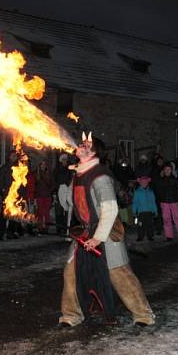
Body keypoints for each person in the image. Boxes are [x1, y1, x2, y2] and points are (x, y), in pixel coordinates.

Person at [58, 134, 154, 327]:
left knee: (120, 273)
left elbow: (110, 209)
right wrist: (65, 186)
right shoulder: (78, 174)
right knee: (70, 272)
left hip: (107, 231)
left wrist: (98, 237)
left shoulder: (100, 176)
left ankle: (144, 314)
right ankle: (71, 315)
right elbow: (70, 203)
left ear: (93, 153)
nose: (80, 145)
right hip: (85, 231)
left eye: (86, 144)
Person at [0, 149, 24, 241]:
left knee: (14, 215)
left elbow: (22, 182)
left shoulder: (19, 167)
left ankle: (10, 233)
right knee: (4, 215)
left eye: (15, 156)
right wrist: (3, 191)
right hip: (7, 195)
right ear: (9, 156)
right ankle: (0, 235)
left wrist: (21, 193)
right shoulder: (5, 168)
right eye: (12, 155)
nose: (14, 157)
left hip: (16, 195)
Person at [154, 163, 178, 241]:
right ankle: (169, 235)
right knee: (166, 219)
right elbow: (158, 191)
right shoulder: (160, 181)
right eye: (166, 169)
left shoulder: (175, 179)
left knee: (177, 218)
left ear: (171, 170)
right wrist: (161, 198)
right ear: (164, 171)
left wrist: (175, 197)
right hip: (164, 202)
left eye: (169, 169)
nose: (167, 171)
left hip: (174, 201)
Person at [29, 161, 56, 234]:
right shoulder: (36, 174)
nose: (43, 166)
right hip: (39, 196)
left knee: (46, 212)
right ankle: (40, 227)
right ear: (39, 165)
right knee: (40, 212)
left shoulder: (49, 174)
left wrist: (50, 191)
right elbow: (32, 185)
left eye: (45, 164)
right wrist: (34, 194)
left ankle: (46, 228)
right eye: (42, 164)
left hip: (47, 196)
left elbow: (53, 184)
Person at [54, 153, 74, 236]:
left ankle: (67, 228)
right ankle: (60, 229)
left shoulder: (70, 168)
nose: (64, 161)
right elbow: (54, 181)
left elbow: (72, 178)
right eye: (63, 159)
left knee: (68, 209)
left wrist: (67, 184)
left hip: (68, 189)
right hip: (59, 190)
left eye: (65, 159)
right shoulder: (57, 170)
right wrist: (54, 192)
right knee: (59, 210)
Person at [132, 175, 157, 241]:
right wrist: (134, 212)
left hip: (149, 212)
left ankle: (150, 236)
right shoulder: (137, 192)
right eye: (142, 183)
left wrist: (155, 211)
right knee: (140, 225)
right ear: (140, 183)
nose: (144, 184)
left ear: (147, 183)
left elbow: (153, 202)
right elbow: (135, 202)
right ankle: (140, 236)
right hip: (141, 212)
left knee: (149, 225)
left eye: (145, 182)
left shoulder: (150, 192)